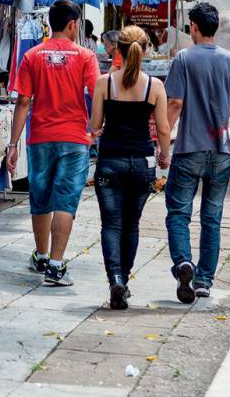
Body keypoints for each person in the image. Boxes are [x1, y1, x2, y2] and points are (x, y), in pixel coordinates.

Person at [7, 0, 100, 286]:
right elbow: (98, 94)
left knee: (41, 198)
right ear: (73, 24)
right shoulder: (85, 56)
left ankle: (42, 255)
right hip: (74, 138)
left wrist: (12, 144)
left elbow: (23, 101)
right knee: (66, 199)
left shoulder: (32, 56)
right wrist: (95, 130)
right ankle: (57, 267)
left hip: (40, 138)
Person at [164, 2, 230, 303]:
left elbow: (175, 104)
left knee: (178, 213)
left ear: (195, 28)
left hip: (189, 150)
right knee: (212, 217)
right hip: (221, 150)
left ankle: (183, 261)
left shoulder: (184, 59)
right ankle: (203, 280)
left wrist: (162, 142)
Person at [90, 26, 171, 310]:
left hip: (110, 161)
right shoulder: (155, 86)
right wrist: (165, 157)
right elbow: (162, 129)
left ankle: (114, 278)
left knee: (111, 224)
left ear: (117, 50)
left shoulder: (104, 83)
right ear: (146, 50)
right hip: (142, 163)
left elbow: (95, 125)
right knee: (132, 225)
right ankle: (124, 278)